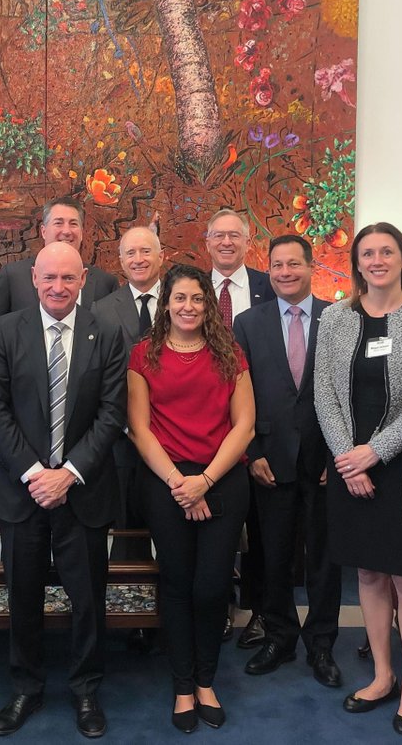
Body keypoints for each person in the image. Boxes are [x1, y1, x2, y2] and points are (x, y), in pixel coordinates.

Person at [0, 242, 127, 738]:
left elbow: (112, 412)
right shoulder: (5, 330)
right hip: (22, 493)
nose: (58, 288)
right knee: (23, 595)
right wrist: (35, 473)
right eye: (49, 279)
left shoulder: (105, 332)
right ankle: (26, 688)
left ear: (82, 278)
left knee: (88, 598)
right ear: (34, 279)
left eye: (68, 278)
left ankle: (86, 690)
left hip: (82, 492)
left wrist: (69, 473)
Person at [313, 222, 402, 736]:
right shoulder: (336, 317)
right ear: (357, 263)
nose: (377, 260)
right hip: (349, 469)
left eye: (387, 251)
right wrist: (348, 457)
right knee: (367, 575)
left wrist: (375, 451)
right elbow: (324, 392)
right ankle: (383, 675)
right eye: (367, 253)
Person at [127, 263, 255, 733]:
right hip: (165, 483)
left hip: (222, 479)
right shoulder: (144, 354)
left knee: (212, 587)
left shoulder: (230, 353)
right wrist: (182, 485)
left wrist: (204, 480)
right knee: (178, 584)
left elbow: (245, 425)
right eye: (179, 298)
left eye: (197, 299)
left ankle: (206, 681)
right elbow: (139, 428)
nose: (188, 307)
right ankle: (183, 686)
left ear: (209, 306)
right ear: (166, 303)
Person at [232, 234, 342, 688]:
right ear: (268, 268)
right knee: (272, 557)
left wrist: (338, 456)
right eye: (276, 265)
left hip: (322, 461)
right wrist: (251, 452)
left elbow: (348, 390)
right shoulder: (246, 323)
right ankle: (279, 637)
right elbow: (237, 395)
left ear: (311, 266)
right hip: (269, 461)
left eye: (293, 264)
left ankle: (321, 644)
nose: (284, 273)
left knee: (323, 559)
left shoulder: (339, 320)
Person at [202, 208, 273, 647]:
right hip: (206, 434)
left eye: (235, 235)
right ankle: (220, 609)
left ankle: (262, 613)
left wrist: (260, 439)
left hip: (261, 429)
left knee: (264, 531)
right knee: (215, 530)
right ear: (207, 242)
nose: (226, 242)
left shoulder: (270, 287)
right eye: (218, 236)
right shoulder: (188, 289)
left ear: (248, 242)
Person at [91, 226, 164, 572]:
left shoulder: (183, 301)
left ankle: (169, 617)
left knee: (172, 530)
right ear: (120, 261)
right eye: (131, 253)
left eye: (146, 251)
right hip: (119, 439)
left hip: (173, 437)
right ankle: (128, 614)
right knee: (125, 531)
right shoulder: (101, 310)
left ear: (161, 256)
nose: (139, 260)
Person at [0, 196, 119, 321]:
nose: (66, 231)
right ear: (43, 231)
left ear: (82, 232)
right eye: (58, 223)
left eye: (73, 224)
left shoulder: (105, 283)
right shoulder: (13, 276)